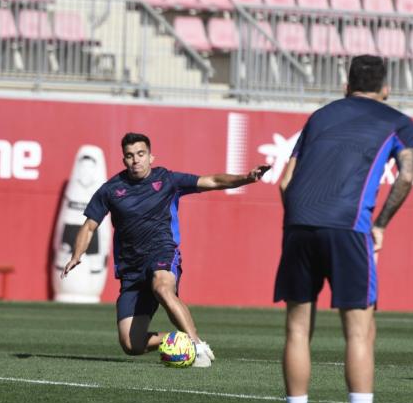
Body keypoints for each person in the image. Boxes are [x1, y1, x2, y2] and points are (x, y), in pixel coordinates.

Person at [274, 55, 413, 403]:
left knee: (296, 329)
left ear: (346, 86)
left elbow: (285, 182)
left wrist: (297, 222)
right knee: (359, 332)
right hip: (348, 228)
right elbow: (405, 176)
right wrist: (381, 224)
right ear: (386, 89)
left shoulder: (320, 116)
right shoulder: (398, 122)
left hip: (299, 226)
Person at [63, 132, 270, 367]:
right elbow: (89, 226)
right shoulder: (111, 190)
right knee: (132, 345)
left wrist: (247, 177)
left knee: (162, 287)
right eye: (129, 156)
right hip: (131, 271)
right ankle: (177, 340)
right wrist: (76, 255)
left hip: (162, 253)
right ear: (124, 160)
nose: (136, 160)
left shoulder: (167, 180)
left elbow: (212, 181)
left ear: (151, 157)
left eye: (141, 154)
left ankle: (197, 346)